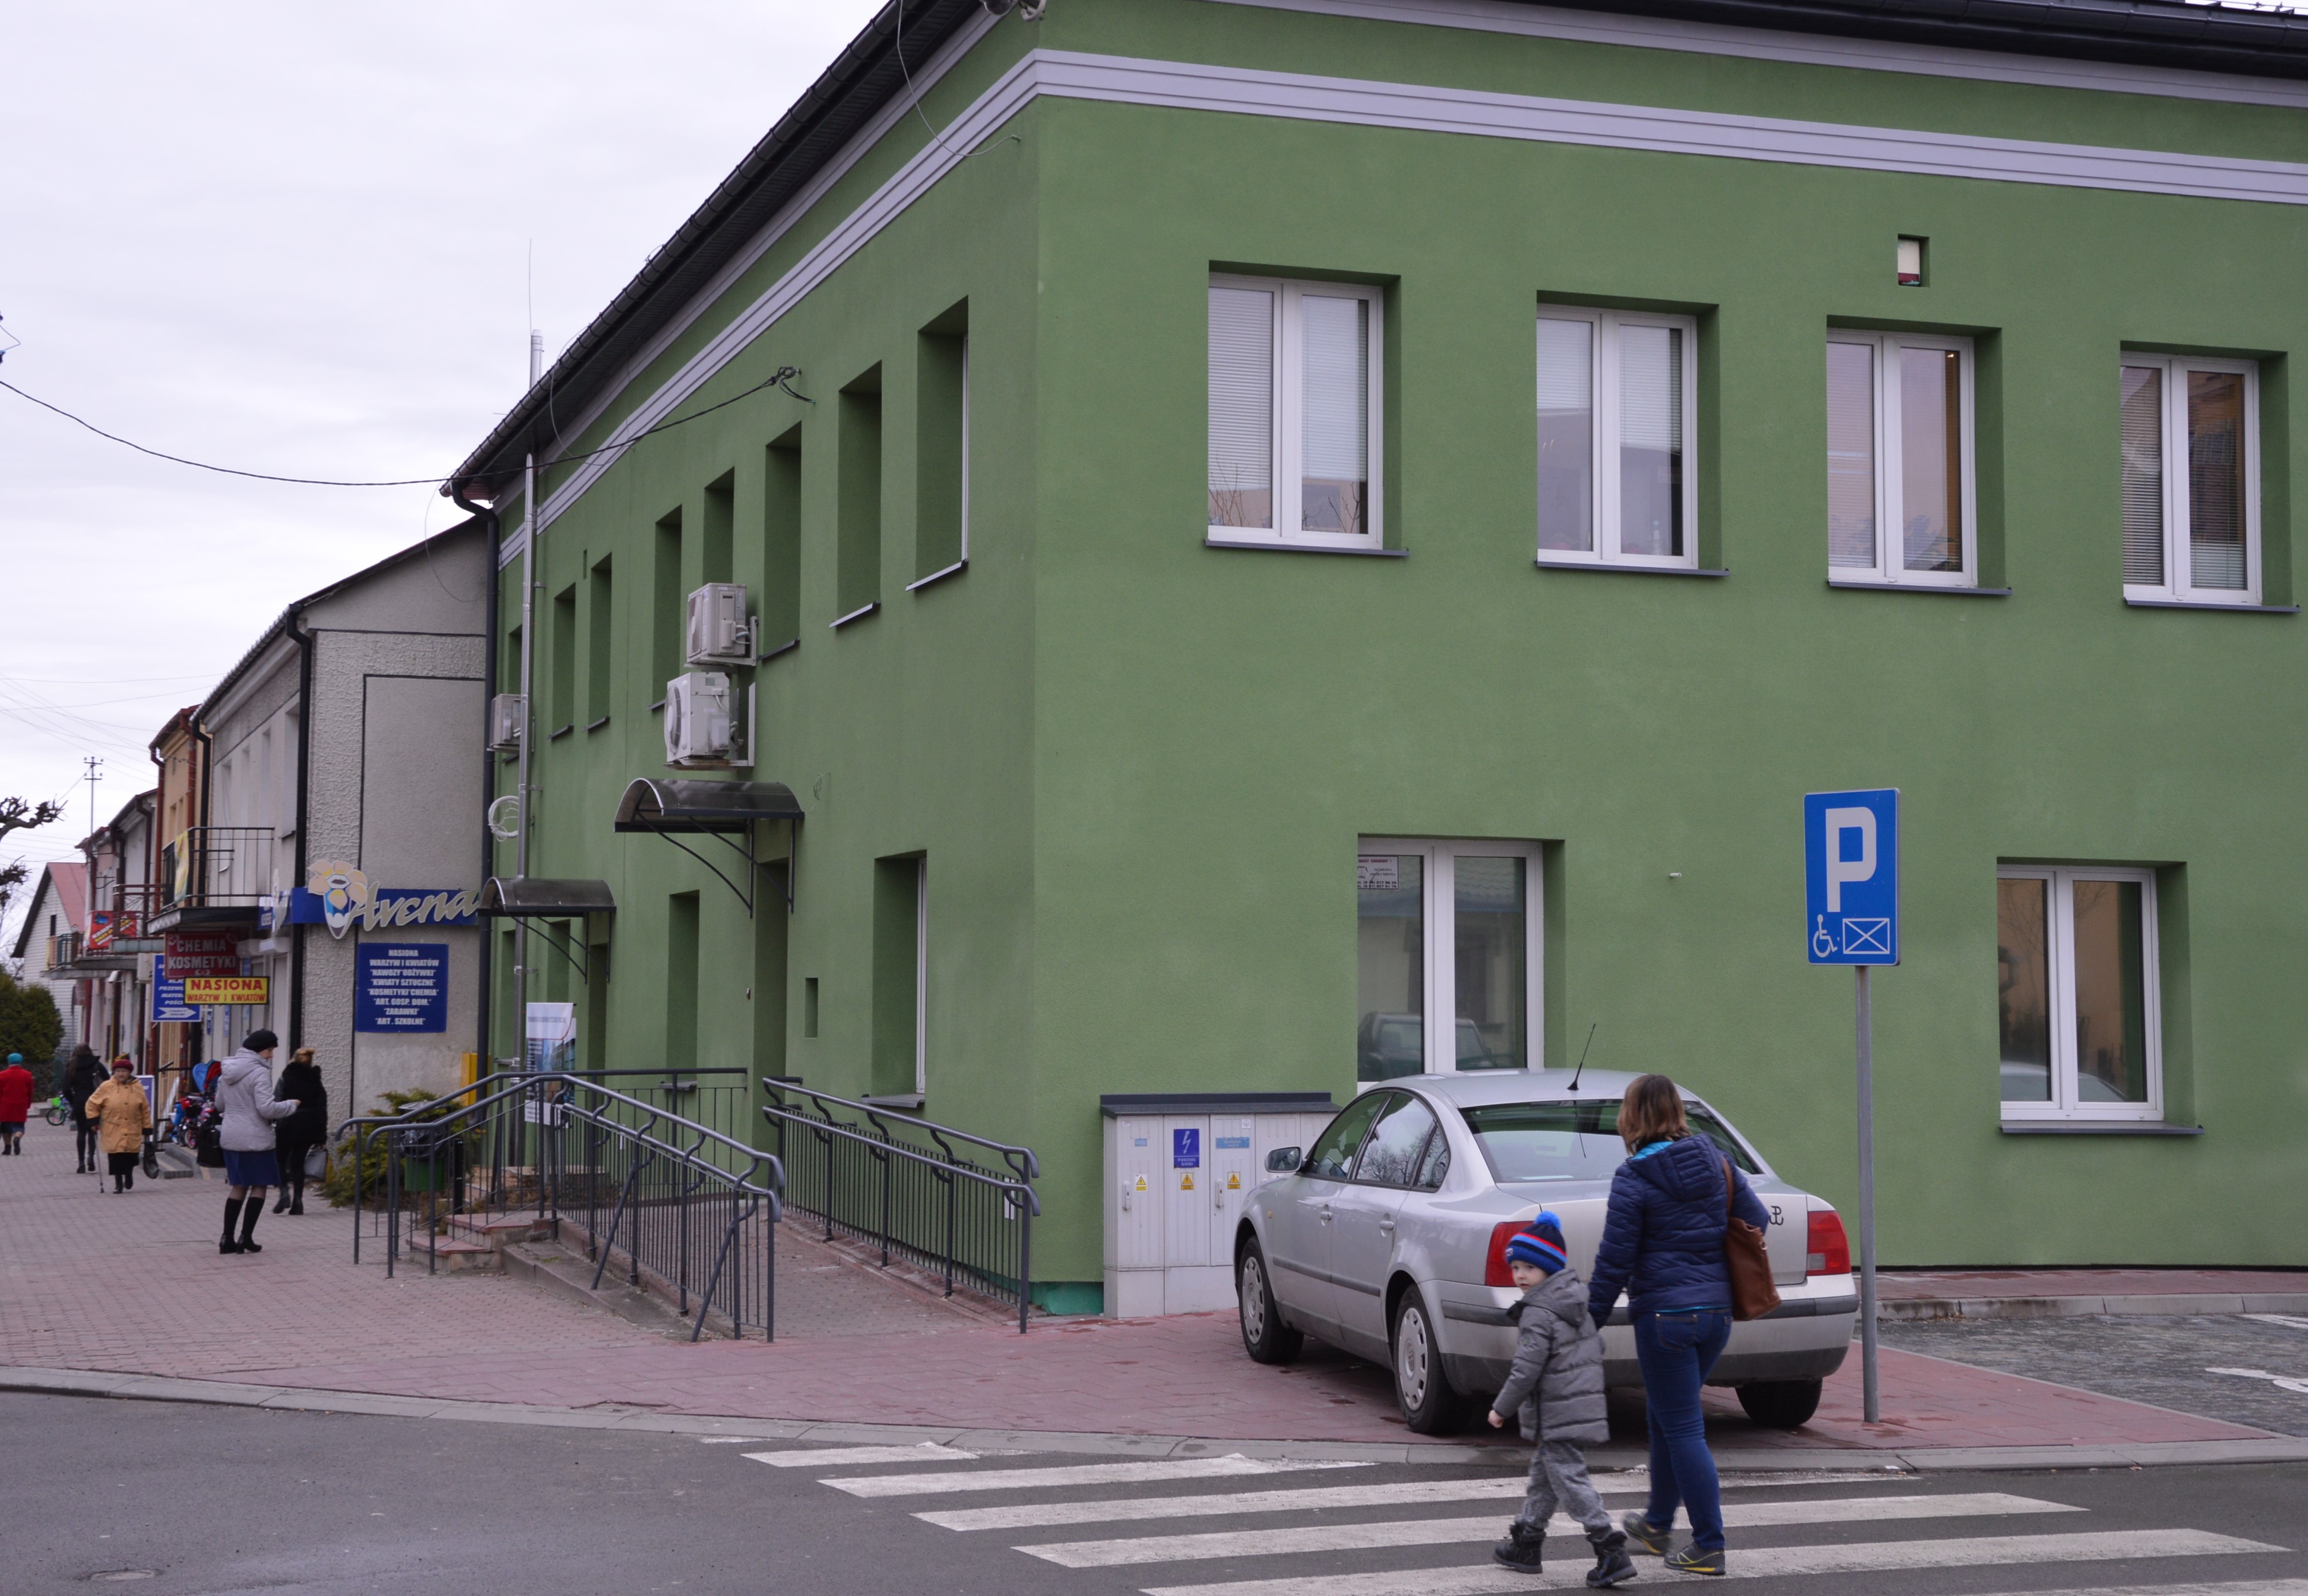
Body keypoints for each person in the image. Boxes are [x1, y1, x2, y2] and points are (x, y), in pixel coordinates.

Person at [1586, 1074, 1771, 1578]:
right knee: (1666, 1415)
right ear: (1676, 1111)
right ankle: (1656, 1523)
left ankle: (1709, 1544)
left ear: (1631, 1116)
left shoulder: (1634, 1176)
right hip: (1716, 1314)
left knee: (1684, 1427)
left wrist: (1587, 1320)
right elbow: (1756, 1218)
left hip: (1665, 1317)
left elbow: (1615, 1258)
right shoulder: (1716, 1158)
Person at [1485, 1213, 1634, 1587]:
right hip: (1577, 1403)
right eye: (1515, 1267)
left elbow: (1526, 1369)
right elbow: (1596, 1346)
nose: (1520, 1275)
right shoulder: (1573, 1301)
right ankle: (1527, 1542)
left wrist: (1501, 1408)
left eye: (1529, 1267)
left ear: (1548, 1268)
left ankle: (1609, 1547)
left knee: (1568, 1477)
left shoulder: (1538, 1311)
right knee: (1544, 1476)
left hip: (1558, 1410)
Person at [212, 1030, 297, 1255]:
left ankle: (226, 1238)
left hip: (231, 1136)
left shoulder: (227, 1071)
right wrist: (291, 1105)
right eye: (269, 1050)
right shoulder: (259, 1072)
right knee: (259, 1186)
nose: (271, 1055)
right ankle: (246, 1238)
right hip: (256, 1137)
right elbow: (266, 1109)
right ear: (259, 1050)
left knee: (239, 1186)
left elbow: (220, 1105)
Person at [271, 1048, 329, 1215]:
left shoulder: (285, 1078)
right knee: (298, 1163)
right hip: (309, 1126)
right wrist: (322, 1133)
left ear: (294, 1060)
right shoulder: (316, 1080)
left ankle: (284, 1191)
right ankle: (298, 1201)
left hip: (288, 1124)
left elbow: (276, 1102)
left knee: (279, 1159)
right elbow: (322, 1107)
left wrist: (274, 1121)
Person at [83, 1058, 153, 1192]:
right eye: (118, 1071)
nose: (121, 1074)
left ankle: (129, 1173)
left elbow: (144, 1108)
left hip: (133, 1126)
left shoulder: (137, 1087)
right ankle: (118, 1183)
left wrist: (147, 1127)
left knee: (132, 1156)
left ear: (129, 1073)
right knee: (116, 1157)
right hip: (113, 1127)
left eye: (124, 1071)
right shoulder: (106, 1086)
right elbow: (92, 1104)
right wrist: (93, 1121)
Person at [64, 1045, 107, 1172]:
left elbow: (66, 1089)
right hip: (95, 1100)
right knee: (92, 1131)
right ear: (89, 1051)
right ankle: (91, 1157)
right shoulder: (96, 1065)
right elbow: (108, 1081)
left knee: (81, 1132)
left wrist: (73, 1101)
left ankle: (81, 1163)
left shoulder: (71, 1066)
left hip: (79, 1100)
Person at [0, 1052, 32, 1155]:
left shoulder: (2, 1075)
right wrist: (28, 1104)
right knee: (19, 1126)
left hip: (5, 1104)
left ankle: (8, 1148)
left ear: (9, 1062)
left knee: (5, 1127)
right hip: (21, 1104)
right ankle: (17, 1137)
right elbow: (30, 1092)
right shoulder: (27, 1075)